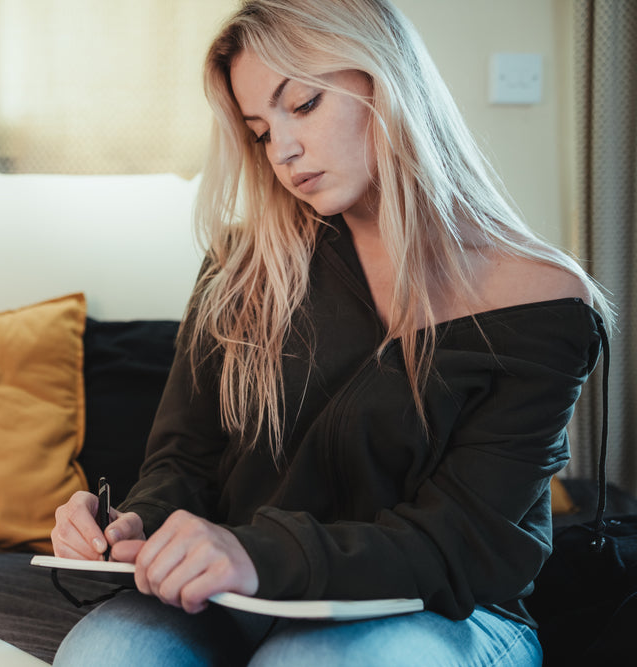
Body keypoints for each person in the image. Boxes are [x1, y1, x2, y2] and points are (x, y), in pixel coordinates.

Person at [51, 1, 612, 664]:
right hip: (243, 598)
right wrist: (135, 526)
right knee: (111, 652)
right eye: (260, 130)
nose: (283, 150)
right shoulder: (244, 266)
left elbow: (462, 542)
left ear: (386, 78)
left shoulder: (543, 298)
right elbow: (184, 459)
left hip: (446, 611)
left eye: (305, 104)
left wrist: (252, 554)